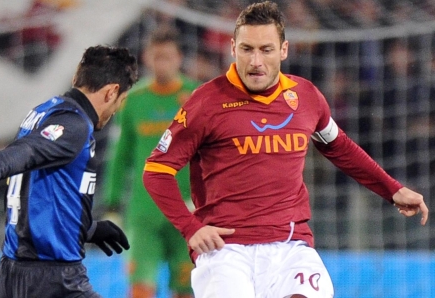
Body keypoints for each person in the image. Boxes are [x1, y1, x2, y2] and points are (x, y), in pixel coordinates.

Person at [142, 2, 429, 298]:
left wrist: (392, 189)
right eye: (247, 49)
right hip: (226, 250)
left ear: (284, 50)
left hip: (291, 246)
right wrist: (191, 228)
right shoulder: (206, 102)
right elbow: (156, 171)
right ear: (232, 48)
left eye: (266, 50)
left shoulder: (305, 96)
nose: (255, 61)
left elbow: (339, 147)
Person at [0, 45, 138, 298]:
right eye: (121, 101)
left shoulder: (45, 111)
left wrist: (86, 228)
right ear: (111, 92)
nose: (115, 111)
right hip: (53, 279)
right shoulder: (74, 125)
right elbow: (31, 150)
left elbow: (38, 189)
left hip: (12, 274)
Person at [102, 26, 199, 298]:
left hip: (188, 209)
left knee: (186, 287)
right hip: (144, 211)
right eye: (157, 57)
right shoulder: (133, 101)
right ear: (146, 58)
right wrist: (112, 203)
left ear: (179, 58)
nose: (162, 63)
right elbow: (119, 157)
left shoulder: (196, 98)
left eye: (167, 57)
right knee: (141, 288)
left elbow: (212, 155)